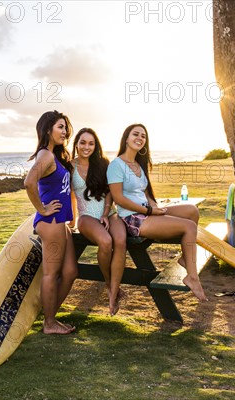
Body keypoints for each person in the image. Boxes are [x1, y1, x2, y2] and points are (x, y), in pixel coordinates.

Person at [107, 123, 208, 302]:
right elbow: (118, 198)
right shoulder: (116, 165)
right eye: (135, 134)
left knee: (192, 211)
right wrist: (149, 210)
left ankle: (186, 258)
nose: (139, 138)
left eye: (143, 136)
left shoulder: (138, 164)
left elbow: (145, 193)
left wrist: (157, 208)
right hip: (132, 217)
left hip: (147, 211)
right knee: (188, 226)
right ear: (126, 139)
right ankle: (192, 277)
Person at [24, 110, 78, 334]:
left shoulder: (54, 156)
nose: (64, 132)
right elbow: (29, 183)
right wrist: (42, 209)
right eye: (60, 127)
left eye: (65, 127)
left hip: (60, 222)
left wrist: (72, 216)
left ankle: (50, 315)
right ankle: (49, 323)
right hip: (51, 221)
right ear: (48, 130)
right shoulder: (45, 155)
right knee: (51, 273)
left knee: (70, 271)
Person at [70, 128, 127, 315]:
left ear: (96, 146)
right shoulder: (70, 167)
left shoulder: (103, 164)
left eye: (91, 143)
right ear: (76, 143)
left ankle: (113, 289)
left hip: (109, 212)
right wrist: (71, 221)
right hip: (86, 216)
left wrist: (105, 212)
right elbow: (70, 196)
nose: (87, 147)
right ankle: (111, 286)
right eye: (83, 142)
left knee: (120, 240)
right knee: (106, 241)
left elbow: (111, 190)